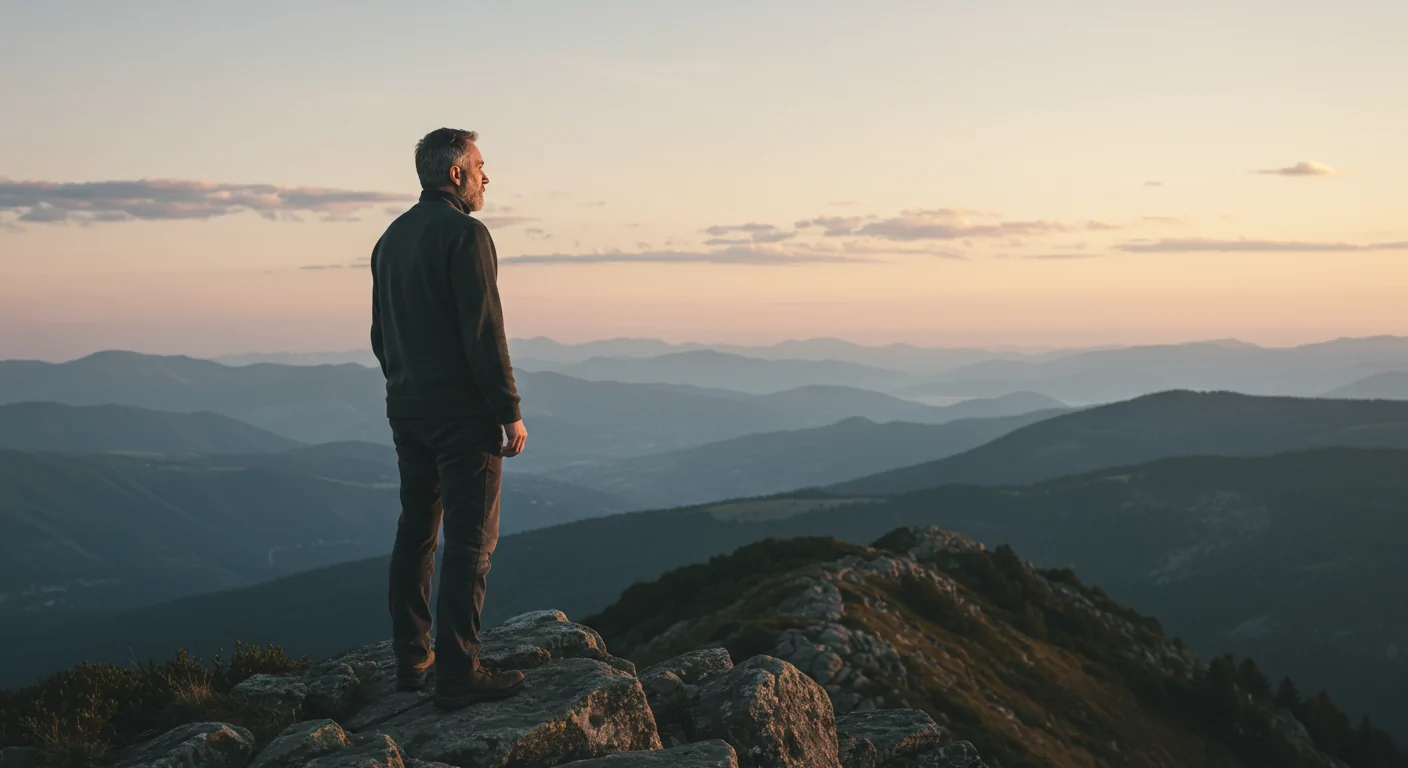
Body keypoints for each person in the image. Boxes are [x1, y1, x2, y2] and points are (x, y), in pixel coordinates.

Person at [369, 127, 529, 709]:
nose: (488, 177)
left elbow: (379, 336)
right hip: (463, 416)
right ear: (455, 174)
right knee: (470, 542)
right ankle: (459, 673)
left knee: (416, 531)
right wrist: (508, 411)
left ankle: (412, 658)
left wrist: (405, 385)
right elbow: (484, 332)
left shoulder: (390, 239)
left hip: (407, 409)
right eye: (481, 166)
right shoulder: (466, 234)